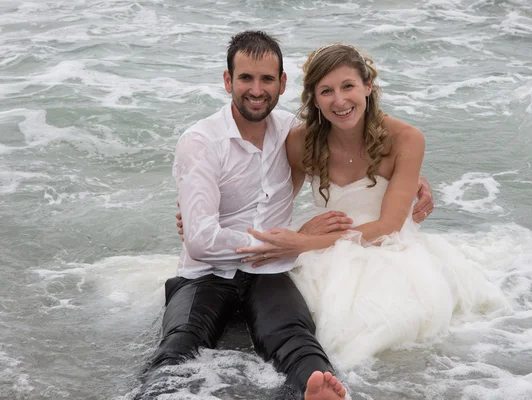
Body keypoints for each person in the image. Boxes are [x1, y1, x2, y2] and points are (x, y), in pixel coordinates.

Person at [146, 31, 433, 400]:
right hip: (208, 273)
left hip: (270, 270)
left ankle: (318, 388)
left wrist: (414, 179)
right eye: (246, 78)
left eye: (267, 79)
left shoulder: (290, 133)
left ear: (282, 84)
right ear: (227, 80)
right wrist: (281, 243)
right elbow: (201, 243)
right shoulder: (201, 141)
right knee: (181, 341)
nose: (256, 89)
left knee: (293, 335)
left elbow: (361, 147)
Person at [235, 44, 509, 368]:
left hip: (388, 250)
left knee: (364, 331)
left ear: (368, 86)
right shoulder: (300, 141)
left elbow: (388, 227)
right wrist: (207, 211)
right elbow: (272, 203)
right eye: (326, 91)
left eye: (348, 86)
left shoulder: (406, 138)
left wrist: (304, 243)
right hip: (324, 241)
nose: (339, 101)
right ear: (314, 98)